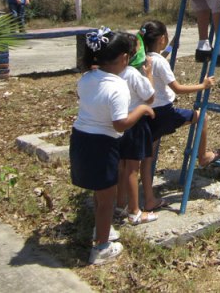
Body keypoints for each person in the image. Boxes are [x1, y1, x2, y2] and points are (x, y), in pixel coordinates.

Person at [69, 27, 155, 265]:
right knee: (106, 199)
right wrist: (141, 109)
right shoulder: (118, 86)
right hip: (103, 144)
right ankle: (102, 248)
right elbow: (120, 125)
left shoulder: (86, 78)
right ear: (124, 58)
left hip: (80, 139)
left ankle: (101, 230)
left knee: (100, 193)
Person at [138, 20, 219, 211]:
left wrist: (171, 46)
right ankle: (204, 156)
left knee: (147, 158)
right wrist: (203, 85)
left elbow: (159, 59)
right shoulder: (159, 62)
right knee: (202, 117)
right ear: (162, 39)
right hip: (165, 113)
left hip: (148, 114)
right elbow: (178, 88)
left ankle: (148, 198)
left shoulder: (143, 59)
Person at [116, 34, 158, 225]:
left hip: (118, 124)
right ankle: (135, 211)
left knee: (122, 166)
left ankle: (120, 204)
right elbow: (150, 97)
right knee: (133, 168)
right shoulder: (133, 74)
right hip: (135, 125)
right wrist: (149, 75)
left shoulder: (112, 72)